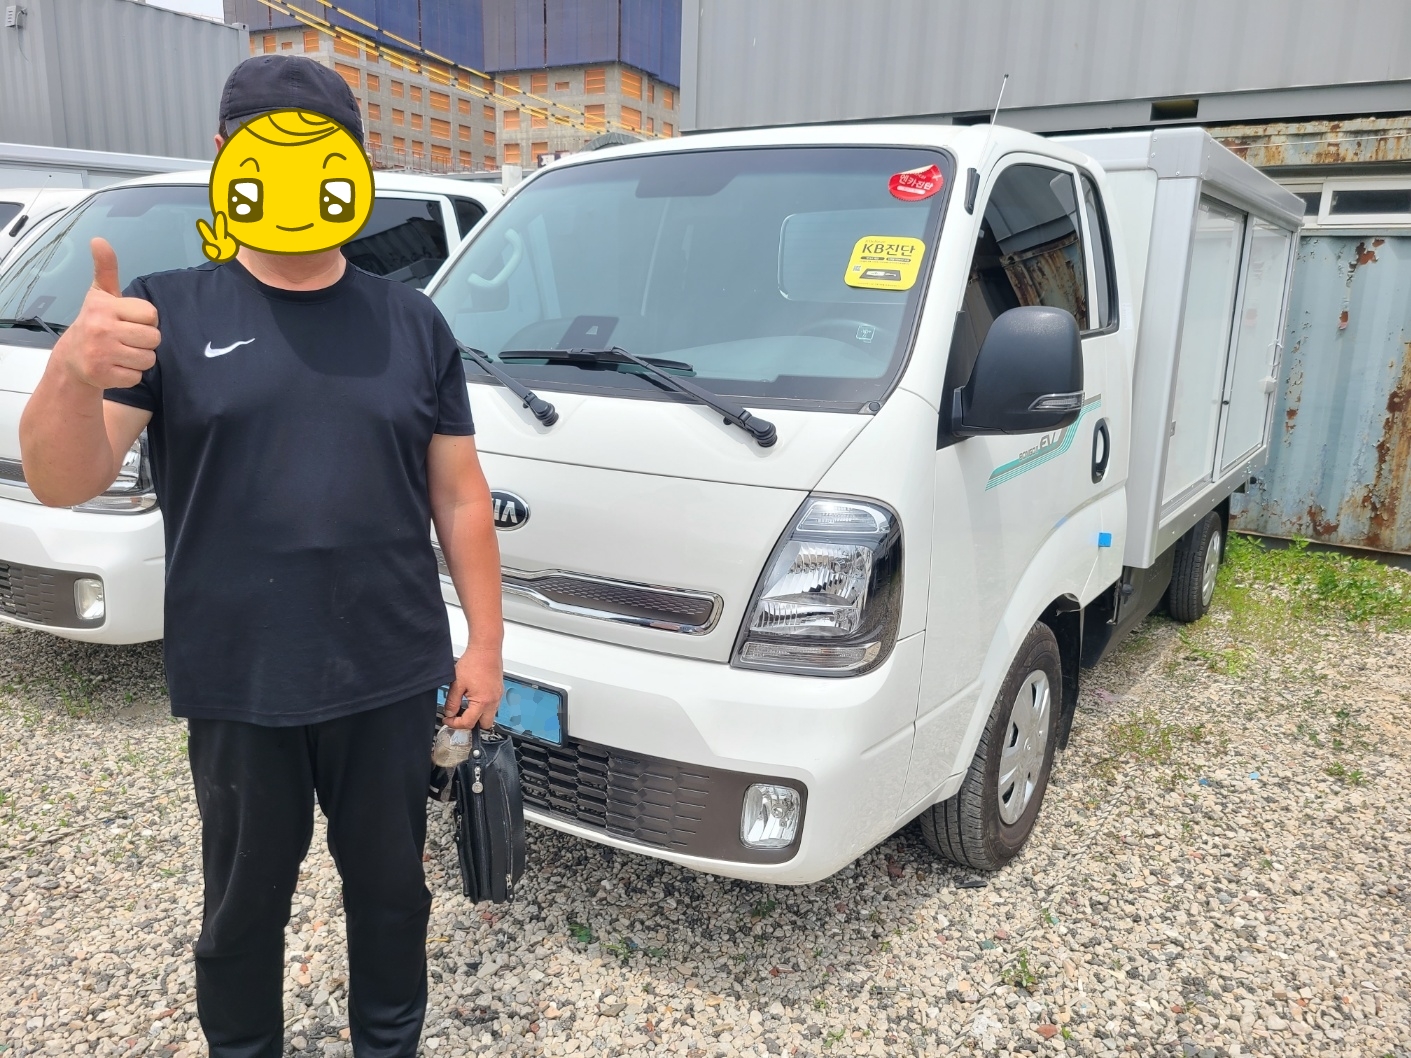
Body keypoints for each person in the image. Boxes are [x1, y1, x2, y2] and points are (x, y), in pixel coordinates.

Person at [19, 55, 504, 1058]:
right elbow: (66, 477)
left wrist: (486, 644)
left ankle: (388, 1043)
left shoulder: (412, 321)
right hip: (241, 676)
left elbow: (458, 494)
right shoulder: (165, 312)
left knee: (391, 893)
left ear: (353, 166)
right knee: (242, 907)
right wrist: (71, 369)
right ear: (223, 159)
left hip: (388, 668)